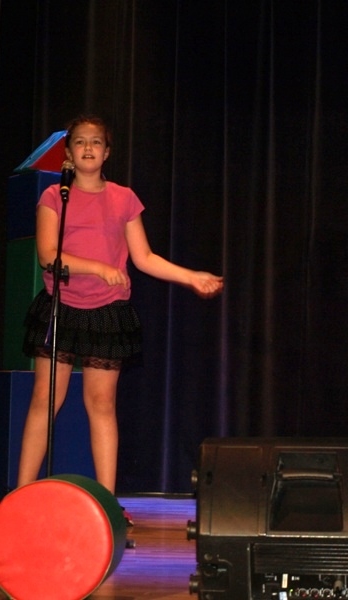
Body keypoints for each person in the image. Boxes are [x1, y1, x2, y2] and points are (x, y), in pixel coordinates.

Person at [17, 115, 224, 521]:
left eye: (96, 142)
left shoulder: (123, 198)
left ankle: (106, 503)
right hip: (61, 307)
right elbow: (47, 255)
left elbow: (144, 257)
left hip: (106, 311)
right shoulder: (54, 197)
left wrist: (191, 277)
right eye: (80, 142)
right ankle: (22, 494)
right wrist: (97, 268)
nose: (88, 148)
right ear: (69, 152)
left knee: (102, 403)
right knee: (45, 399)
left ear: (107, 152)